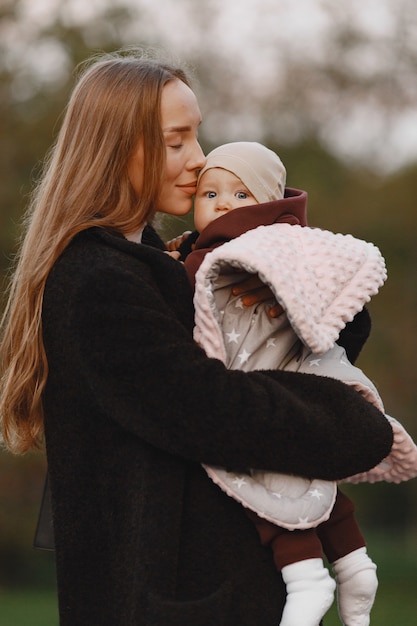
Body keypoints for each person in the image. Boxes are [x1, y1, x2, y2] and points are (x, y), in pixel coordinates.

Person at [0, 50, 395, 626]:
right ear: (118, 149)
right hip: (167, 602)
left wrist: (296, 302)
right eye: (175, 141)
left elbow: (256, 359)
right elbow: (210, 408)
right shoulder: (96, 279)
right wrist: (355, 423)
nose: (199, 160)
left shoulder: (159, 263)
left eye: (196, 137)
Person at [183, 141, 417, 626]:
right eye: (210, 193)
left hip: (271, 383)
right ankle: (353, 561)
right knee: (306, 477)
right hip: (296, 384)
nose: (224, 204)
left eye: (241, 194)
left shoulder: (260, 249)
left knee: (266, 477)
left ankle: (305, 576)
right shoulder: (210, 249)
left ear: (269, 202)